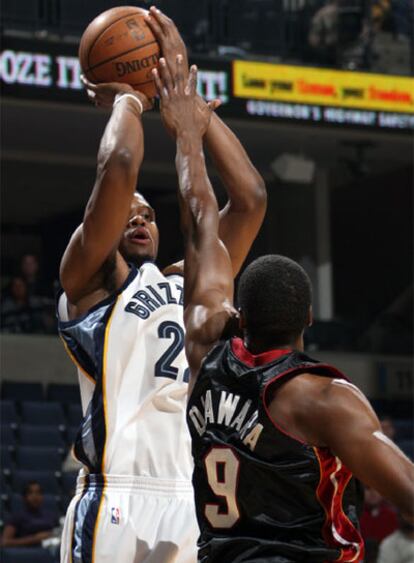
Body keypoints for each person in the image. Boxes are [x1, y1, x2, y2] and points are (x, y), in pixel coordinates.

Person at [151, 54, 414, 562]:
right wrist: (198, 122)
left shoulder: (205, 347)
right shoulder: (325, 401)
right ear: (309, 318)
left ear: (240, 316)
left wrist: (188, 133)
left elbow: (200, 213)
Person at [57, 7, 266, 563]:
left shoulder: (187, 283)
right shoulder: (86, 285)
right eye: (127, 211)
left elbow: (249, 200)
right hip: (117, 493)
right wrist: (128, 96)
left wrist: (194, 113)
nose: (140, 218)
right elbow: (120, 162)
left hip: (187, 493)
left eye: (148, 213)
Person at [1, 481, 59, 548]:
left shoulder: (51, 515)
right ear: (24, 497)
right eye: (30, 493)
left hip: (51, 551)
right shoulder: (16, 517)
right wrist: (35, 539)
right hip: (27, 554)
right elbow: (5, 542)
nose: (35, 496)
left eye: (38, 493)